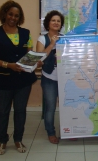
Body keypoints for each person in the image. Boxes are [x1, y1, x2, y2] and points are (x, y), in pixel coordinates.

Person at [0, 0, 39, 155]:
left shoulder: (26, 33)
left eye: (16, 15)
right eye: (10, 14)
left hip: (23, 80)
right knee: (3, 111)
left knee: (20, 111)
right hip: (2, 79)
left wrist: (36, 60)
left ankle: (18, 139)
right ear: (4, 14)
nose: (13, 18)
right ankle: (2, 141)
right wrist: (8, 65)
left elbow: (29, 55)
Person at [36, 10, 64, 144]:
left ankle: (69, 130)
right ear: (48, 23)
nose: (56, 23)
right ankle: (51, 132)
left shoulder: (64, 38)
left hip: (65, 78)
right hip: (49, 78)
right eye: (53, 20)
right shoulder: (42, 39)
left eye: (58, 21)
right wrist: (52, 44)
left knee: (67, 106)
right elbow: (39, 57)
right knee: (51, 107)